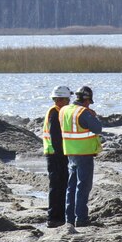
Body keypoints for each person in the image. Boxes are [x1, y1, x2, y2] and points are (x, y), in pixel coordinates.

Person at [60, 85, 103, 227]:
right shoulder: (83, 112)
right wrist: (92, 114)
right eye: (89, 102)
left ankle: (69, 218)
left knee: (71, 186)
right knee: (83, 186)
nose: (89, 104)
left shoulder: (64, 110)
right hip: (84, 153)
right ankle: (81, 218)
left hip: (70, 152)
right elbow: (97, 128)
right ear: (86, 100)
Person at [41, 85, 73, 228]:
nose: (69, 102)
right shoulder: (55, 113)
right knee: (57, 186)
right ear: (60, 99)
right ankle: (54, 218)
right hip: (55, 155)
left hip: (56, 154)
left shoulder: (58, 112)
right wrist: (64, 155)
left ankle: (59, 217)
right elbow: (56, 138)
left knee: (60, 185)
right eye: (67, 99)